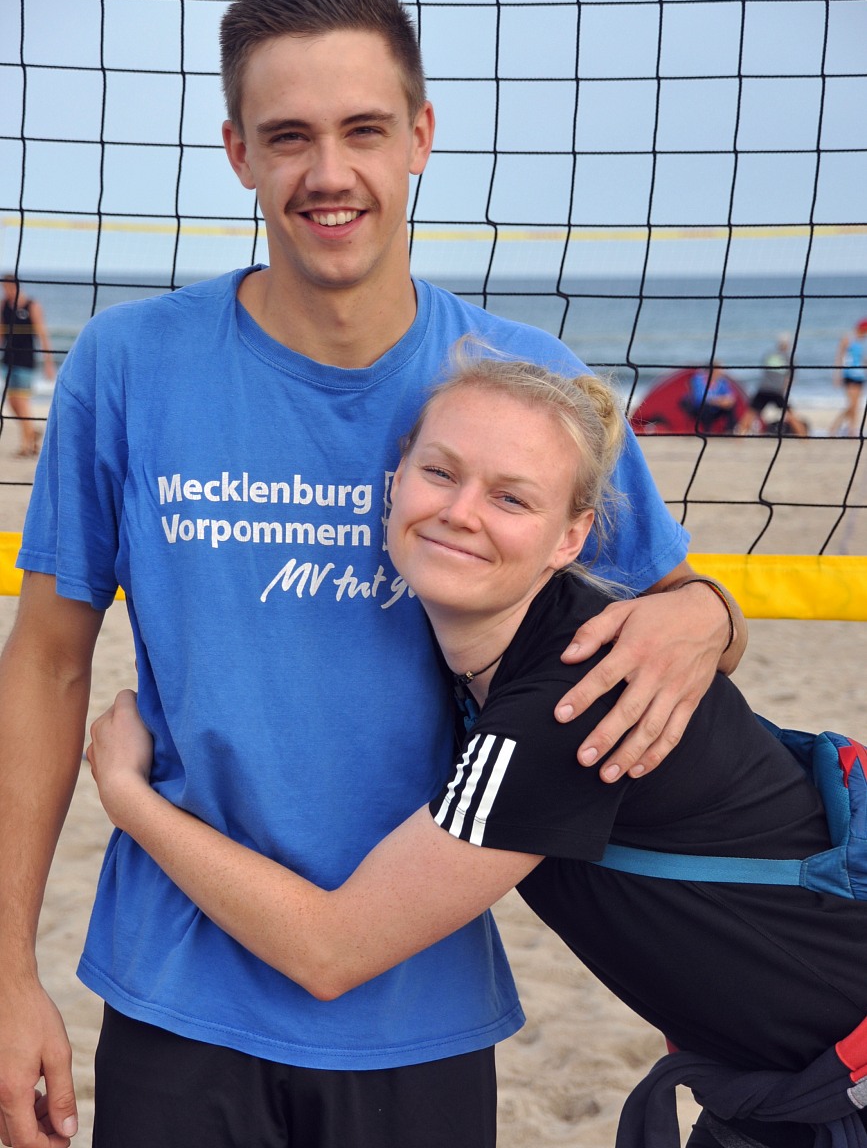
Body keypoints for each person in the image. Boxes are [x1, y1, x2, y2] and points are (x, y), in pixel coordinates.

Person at [0, 0, 746, 1148]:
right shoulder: (129, 363)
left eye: (363, 129)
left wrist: (707, 615)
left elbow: (676, 610)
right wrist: (6, 975)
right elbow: (45, 662)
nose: (329, 172)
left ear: (420, 138)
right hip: (175, 988)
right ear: (239, 152)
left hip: (418, 1000)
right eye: (288, 136)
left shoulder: (526, 387)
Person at [87, 352, 867, 1148]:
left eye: (509, 497)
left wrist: (128, 796)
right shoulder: (509, 650)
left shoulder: (568, 701)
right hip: (780, 1082)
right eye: (440, 473)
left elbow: (330, 949)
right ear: (394, 484)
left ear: (570, 538)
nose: (460, 512)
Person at [1, 275, 56, 457]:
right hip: (8, 360)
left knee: (22, 402)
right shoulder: (3, 305)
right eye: (3, 288)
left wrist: (48, 362)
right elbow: (1, 334)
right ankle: (31, 432)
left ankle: (26, 445)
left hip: (26, 360)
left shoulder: (32, 305)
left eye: (7, 288)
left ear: (15, 286)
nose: (5, 291)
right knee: (12, 402)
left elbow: (42, 334)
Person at [734, 334, 809, 437]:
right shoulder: (789, 358)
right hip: (776, 390)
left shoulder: (769, 355)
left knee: (750, 414)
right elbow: (790, 378)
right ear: (787, 345)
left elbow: (764, 372)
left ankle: (740, 436)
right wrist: (784, 389)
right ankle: (803, 436)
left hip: (764, 388)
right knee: (790, 414)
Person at [829, 319, 867, 438]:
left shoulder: (861, 342)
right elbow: (839, 357)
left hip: (860, 375)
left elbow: (862, 359)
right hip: (849, 375)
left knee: (856, 405)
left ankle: (852, 429)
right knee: (852, 405)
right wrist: (837, 374)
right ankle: (835, 426)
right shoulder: (848, 339)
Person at [681, 365, 738, 434]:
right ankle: (707, 431)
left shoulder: (722, 382)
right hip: (699, 409)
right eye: (718, 371)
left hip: (717, 408)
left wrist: (725, 401)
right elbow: (699, 397)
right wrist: (717, 401)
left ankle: (730, 430)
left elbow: (731, 396)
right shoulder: (698, 379)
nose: (720, 373)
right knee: (706, 406)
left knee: (730, 405)